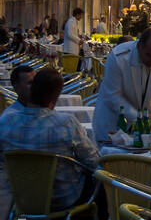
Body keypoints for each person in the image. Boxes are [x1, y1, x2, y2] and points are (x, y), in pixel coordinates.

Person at [0, 67, 100, 212]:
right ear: (55, 97)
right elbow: (93, 162)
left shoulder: (5, 120)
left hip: (22, 197)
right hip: (63, 198)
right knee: (103, 183)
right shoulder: (66, 123)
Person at [91, 27, 151, 143]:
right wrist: (139, 118)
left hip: (143, 123)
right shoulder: (118, 57)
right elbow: (112, 96)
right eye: (149, 55)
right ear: (139, 47)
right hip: (113, 121)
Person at [62, 7, 87, 72]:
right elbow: (69, 34)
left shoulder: (74, 22)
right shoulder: (71, 22)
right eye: (81, 15)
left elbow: (73, 33)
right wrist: (79, 40)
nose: (81, 17)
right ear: (77, 14)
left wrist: (79, 36)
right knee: (70, 69)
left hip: (73, 49)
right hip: (70, 49)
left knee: (74, 67)